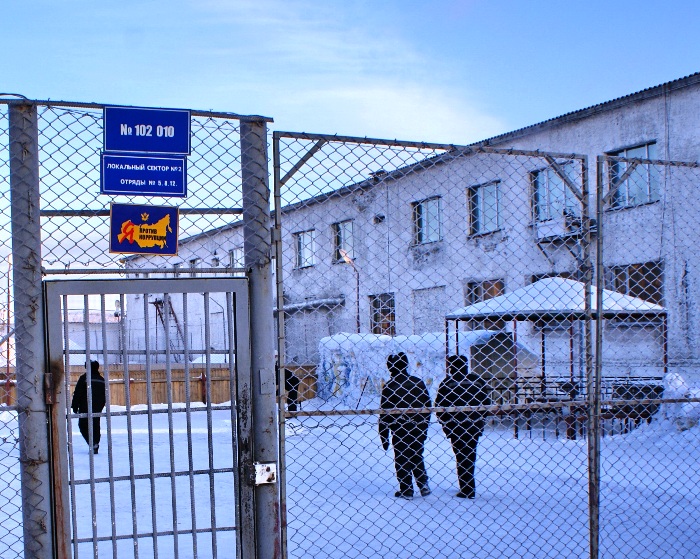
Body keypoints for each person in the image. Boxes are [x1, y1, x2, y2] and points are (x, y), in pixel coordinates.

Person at [436, 355, 491, 499]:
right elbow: (486, 403)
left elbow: (439, 406)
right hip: (474, 425)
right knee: (470, 454)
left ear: (452, 367)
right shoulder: (477, 381)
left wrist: (445, 424)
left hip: (455, 426)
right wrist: (480, 420)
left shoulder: (448, 383)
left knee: (460, 455)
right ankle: (468, 486)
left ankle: (466, 487)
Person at [378, 352, 431, 499]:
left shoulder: (390, 386)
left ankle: (406, 489)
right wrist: (424, 426)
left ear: (390, 367)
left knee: (402, 458)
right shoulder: (417, 382)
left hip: (400, 428)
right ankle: (423, 484)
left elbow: (385, 413)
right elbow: (428, 406)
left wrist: (384, 436)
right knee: (416, 455)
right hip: (418, 426)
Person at [71, 360, 106, 454]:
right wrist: (101, 405)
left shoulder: (84, 378)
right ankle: (95, 443)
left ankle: (92, 443)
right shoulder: (102, 379)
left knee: (83, 425)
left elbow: (77, 393)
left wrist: (74, 406)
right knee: (95, 425)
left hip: (85, 406)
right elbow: (105, 395)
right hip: (97, 407)